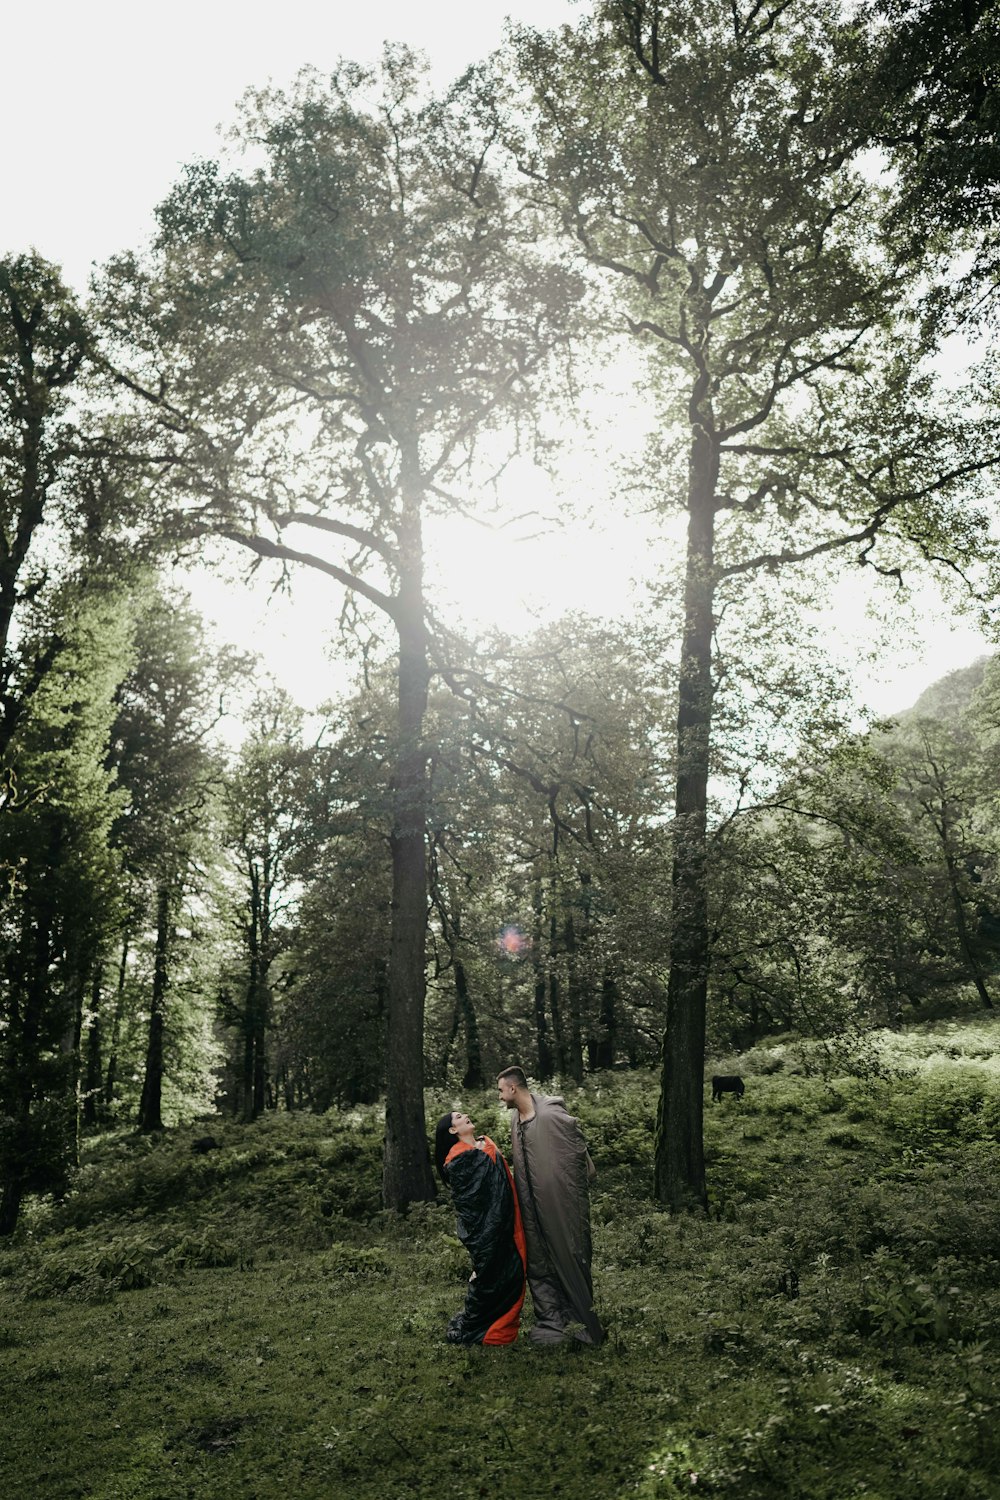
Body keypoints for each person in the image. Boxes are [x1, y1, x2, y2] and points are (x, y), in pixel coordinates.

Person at [497, 1066, 605, 1346]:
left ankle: (580, 1320)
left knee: (567, 1251)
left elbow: (575, 1155)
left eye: (500, 1090)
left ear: (512, 1088)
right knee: (539, 1260)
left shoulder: (551, 1115)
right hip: (530, 1206)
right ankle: (552, 1319)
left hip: (558, 1205)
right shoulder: (515, 1120)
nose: (499, 1097)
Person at [434, 1109, 526, 1346]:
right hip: (486, 1230)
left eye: (463, 1113)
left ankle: (501, 1327)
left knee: (512, 1272)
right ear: (453, 1130)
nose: (465, 1115)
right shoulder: (458, 1161)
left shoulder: (485, 1145)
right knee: (493, 1275)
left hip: (507, 1223)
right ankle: (488, 1329)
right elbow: (473, 1205)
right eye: (458, 1117)